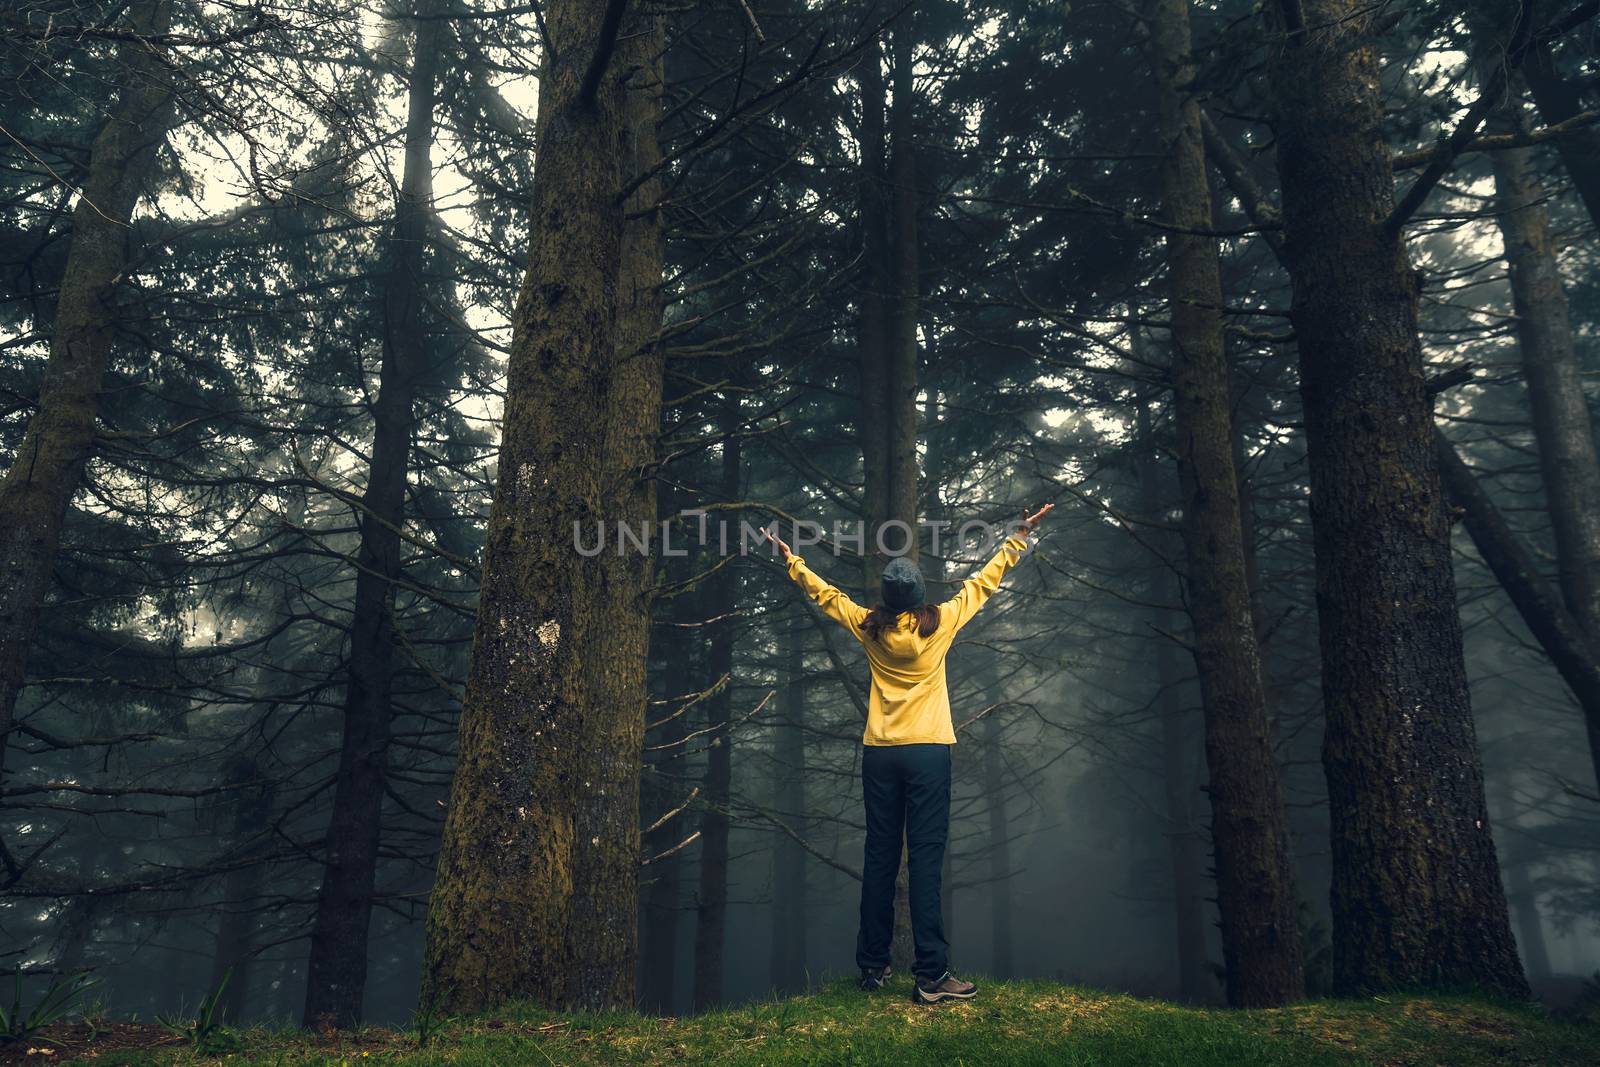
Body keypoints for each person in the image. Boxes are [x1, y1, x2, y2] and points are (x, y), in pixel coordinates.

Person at [761, 504, 1053, 1004]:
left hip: (881, 754)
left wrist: (793, 561)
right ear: (918, 597)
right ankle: (932, 976)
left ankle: (872, 968)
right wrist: (1018, 538)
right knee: (925, 861)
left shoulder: (869, 626)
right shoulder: (939, 625)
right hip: (928, 754)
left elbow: (828, 597)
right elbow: (983, 582)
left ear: (887, 598)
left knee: (879, 859)